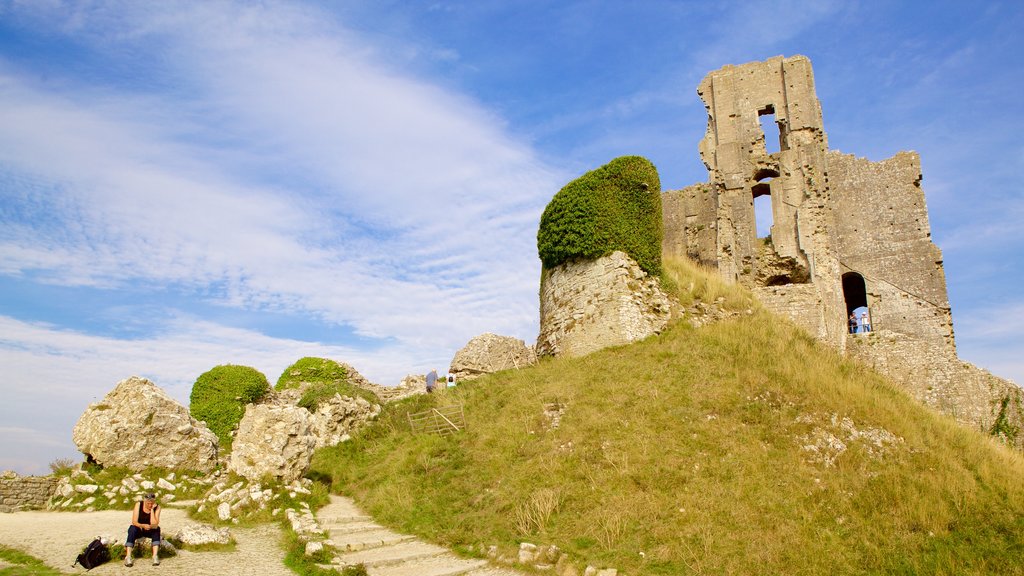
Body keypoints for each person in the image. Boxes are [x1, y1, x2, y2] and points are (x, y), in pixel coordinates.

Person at [124, 492, 161, 566]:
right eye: (148, 503)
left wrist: (152, 510)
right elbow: (134, 521)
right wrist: (142, 525)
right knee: (132, 528)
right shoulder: (138, 505)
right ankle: (128, 557)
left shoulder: (157, 507)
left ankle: (155, 556)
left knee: (157, 529)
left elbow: (154, 523)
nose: (150, 505)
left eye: (152, 503)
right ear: (144, 501)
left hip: (150, 529)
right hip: (139, 528)